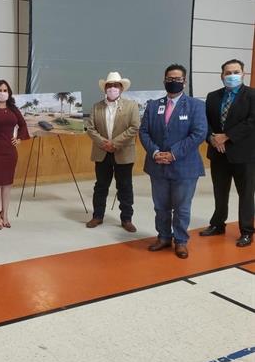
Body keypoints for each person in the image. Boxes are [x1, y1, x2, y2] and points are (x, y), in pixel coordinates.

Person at [139, 64, 207, 259]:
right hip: (157, 165)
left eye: (177, 79)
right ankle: (163, 237)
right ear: (164, 80)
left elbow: (199, 133)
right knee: (160, 207)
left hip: (185, 167)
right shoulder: (153, 105)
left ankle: (181, 241)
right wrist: (155, 152)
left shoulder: (196, 105)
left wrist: (173, 153)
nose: (173, 82)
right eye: (170, 79)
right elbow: (143, 132)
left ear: (184, 82)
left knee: (182, 207)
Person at [199, 59, 255, 247]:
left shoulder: (252, 95)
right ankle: (217, 224)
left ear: (243, 74)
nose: (232, 76)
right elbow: (204, 122)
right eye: (228, 73)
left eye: (236, 72)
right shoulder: (213, 96)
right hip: (218, 153)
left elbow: (252, 122)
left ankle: (246, 231)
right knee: (220, 192)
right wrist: (212, 138)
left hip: (244, 155)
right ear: (222, 76)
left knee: (246, 194)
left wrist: (227, 136)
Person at [86, 72, 140, 232]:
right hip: (102, 152)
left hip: (123, 153)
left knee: (125, 186)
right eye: (109, 85)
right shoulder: (96, 106)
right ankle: (97, 216)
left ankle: (127, 219)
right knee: (101, 186)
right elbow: (90, 128)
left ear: (121, 88)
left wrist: (115, 143)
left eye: (116, 85)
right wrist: (104, 143)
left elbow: (134, 127)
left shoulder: (131, 106)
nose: (112, 88)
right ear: (105, 88)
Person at [0, 80, 30, 229]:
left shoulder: (13, 108)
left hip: (10, 152)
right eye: (0, 90)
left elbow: (23, 125)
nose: (2, 93)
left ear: (9, 93)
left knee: (7, 185)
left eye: (5, 90)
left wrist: (19, 138)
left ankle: (5, 215)